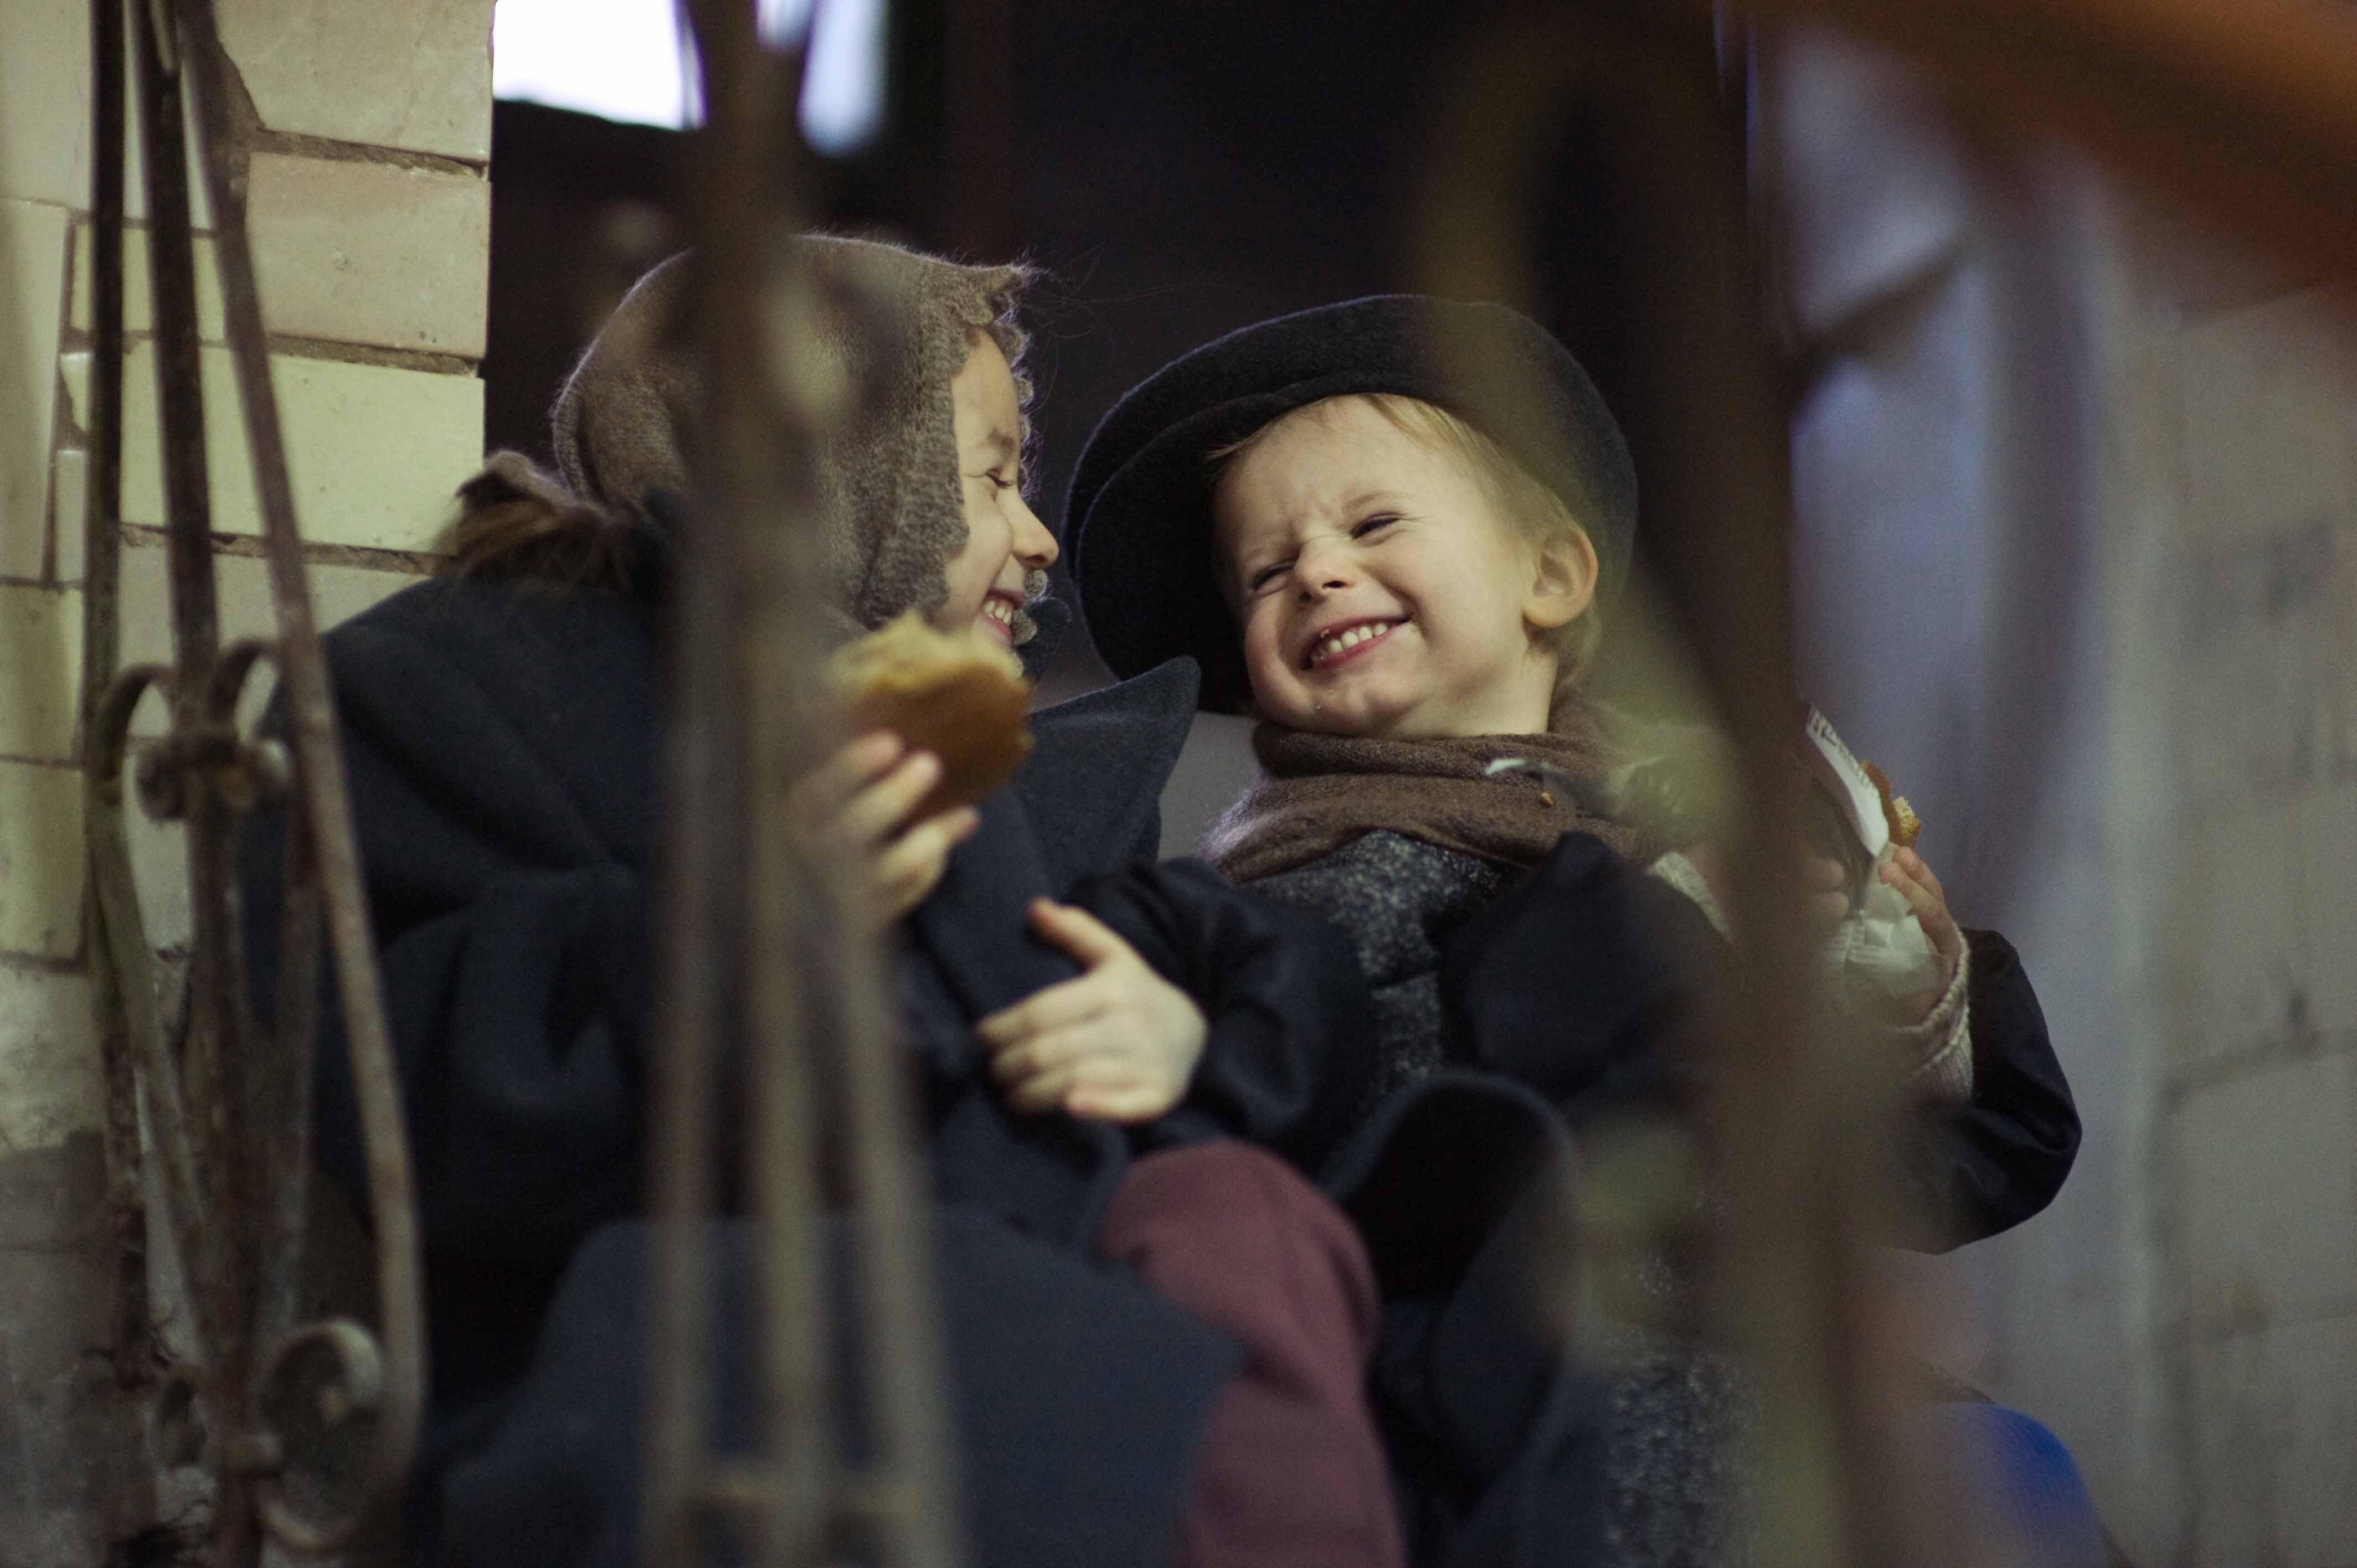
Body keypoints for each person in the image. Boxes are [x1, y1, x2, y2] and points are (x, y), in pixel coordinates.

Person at [238, 240, 1400, 1568]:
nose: (1038, 538)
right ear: (831, 459)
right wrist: (739, 924)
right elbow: (410, 1080)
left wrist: (1193, 1033)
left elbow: (1240, 958)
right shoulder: (471, 687)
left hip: (1026, 1349)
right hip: (698, 1383)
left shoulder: (1009, 769)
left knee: (1238, 1222)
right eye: (994, 474)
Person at [1062, 295, 2093, 1564]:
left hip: (1784, 1401)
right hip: (1550, 1429)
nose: (1316, 573)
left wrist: (1899, 992)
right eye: (1266, 574)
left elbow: (1899, 1170)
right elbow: (1418, 1120)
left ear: (1549, 577)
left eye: (1372, 524)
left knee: (2012, 1477)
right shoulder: (1296, 888)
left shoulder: (1687, 812)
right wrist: (1672, 927)